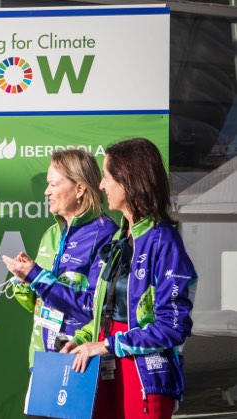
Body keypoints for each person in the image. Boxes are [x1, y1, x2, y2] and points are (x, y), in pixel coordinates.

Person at [61, 138, 198, 419]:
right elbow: (104, 309)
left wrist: (108, 344)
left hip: (143, 378)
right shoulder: (117, 239)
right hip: (105, 375)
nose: (100, 185)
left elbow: (173, 326)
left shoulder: (164, 241)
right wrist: (83, 338)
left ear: (129, 181)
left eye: (107, 176)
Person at [1, 149, 117, 416]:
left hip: (79, 360)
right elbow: (37, 304)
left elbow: (94, 308)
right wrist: (23, 282)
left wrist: (37, 277)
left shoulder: (106, 235)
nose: (46, 192)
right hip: (43, 361)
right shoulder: (52, 234)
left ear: (79, 188)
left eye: (54, 184)